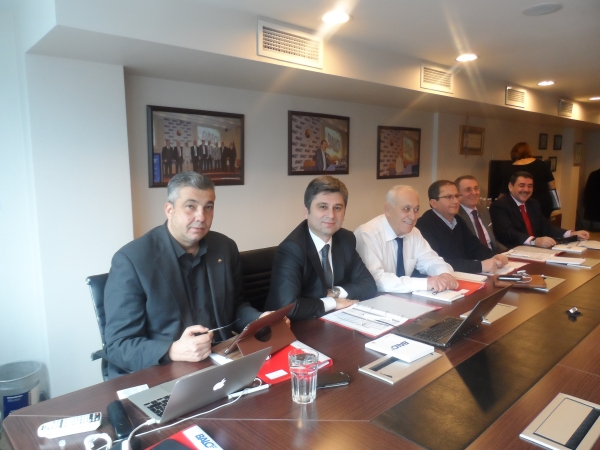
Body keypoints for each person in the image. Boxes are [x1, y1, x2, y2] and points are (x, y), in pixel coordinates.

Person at [103, 172, 265, 379]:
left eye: (208, 207)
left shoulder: (225, 248)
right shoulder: (132, 260)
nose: (201, 217)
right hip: (165, 369)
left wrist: (260, 319)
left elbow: (236, 307)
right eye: (190, 206)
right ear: (169, 209)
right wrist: (172, 350)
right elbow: (118, 345)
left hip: (222, 359)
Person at [265, 176, 377, 321]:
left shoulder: (346, 239)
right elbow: (290, 307)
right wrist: (333, 302)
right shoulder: (291, 249)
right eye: (323, 207)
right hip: (291, 325)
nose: (331, 215)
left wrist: (334, 292)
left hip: (332, 319)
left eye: (337, 208)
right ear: (306, 211)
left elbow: (369, 285)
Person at [354, 185, 458, 293]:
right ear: (388, 209)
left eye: (416, 209)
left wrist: (444, 274)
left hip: (402, 298)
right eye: (406, 209)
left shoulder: (414, 232)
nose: (413, 217)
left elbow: (430, 260)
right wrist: (425, 283)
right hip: (373, 298)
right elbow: (376, 279)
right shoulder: (367, 234)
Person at [415, 180, 508, 274]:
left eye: (457, 196)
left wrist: (493, 257)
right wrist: (479, 266)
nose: (456, 201)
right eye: (449, 197)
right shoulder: (423, 225)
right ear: (433, 203)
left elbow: (474, 247)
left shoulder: (458, 220)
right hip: (443, 277)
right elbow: (437, 262)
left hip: (464, 274)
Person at [490, 171, 589, 248]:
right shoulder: (500, 205)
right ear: (510, 186)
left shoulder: (533, 203)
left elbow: (546, 227)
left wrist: (571, 233)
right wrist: (534, 241)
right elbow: (508, 233)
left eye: (530, 186)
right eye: (521, 185)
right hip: (514, 250)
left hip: (536, 250)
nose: (526, 190)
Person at [500, 142, 555, 218]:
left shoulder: (510, 169)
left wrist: (495, 204)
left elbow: (504, 191)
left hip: (523, 204)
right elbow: (552, 185)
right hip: (544, 204)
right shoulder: (542, 164)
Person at [455, 175, 506, 253]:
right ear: (457, 194)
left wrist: (509, 253)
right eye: (468, 189)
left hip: (494, 255)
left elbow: (492, 241)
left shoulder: (483, 210)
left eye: (476, 188)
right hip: (476, 258)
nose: (474, 193)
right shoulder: (456, 215)